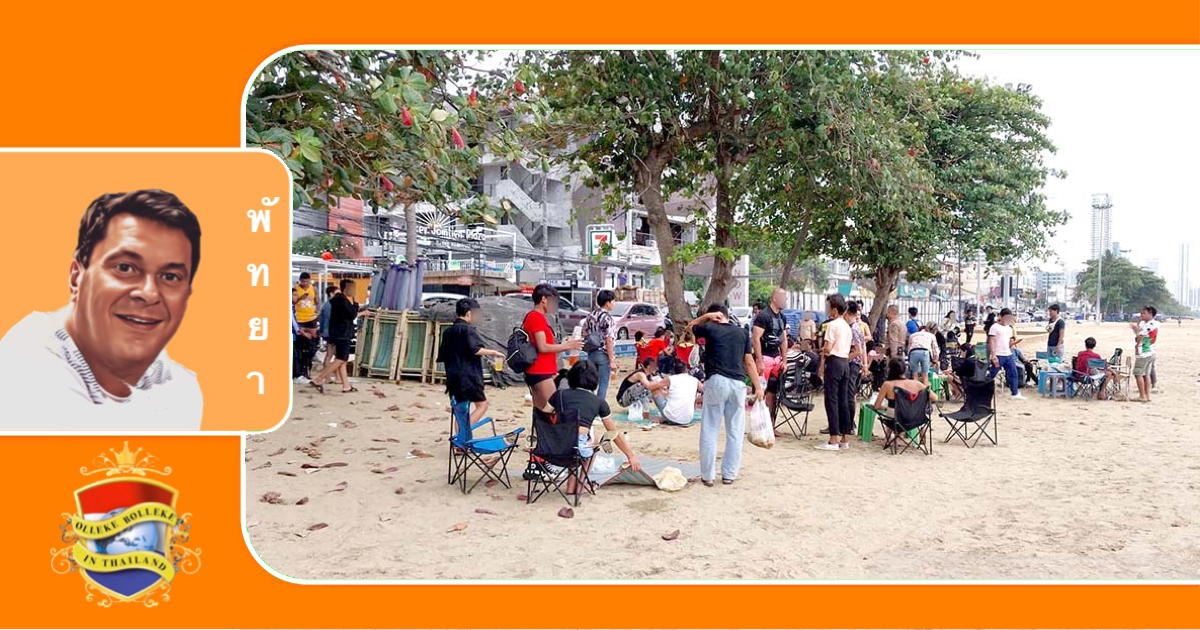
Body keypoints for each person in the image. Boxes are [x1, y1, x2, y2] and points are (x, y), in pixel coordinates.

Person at [0, 189, 203, 430]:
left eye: (170, 276)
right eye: (125, 268)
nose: (149, 293)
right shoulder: (27, 366)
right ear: (77, 278)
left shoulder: (180, 386)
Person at [688, 304, 763, 485]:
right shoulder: (742, 333)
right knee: (735, 431)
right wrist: (758, 387)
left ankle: (708, 476)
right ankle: (729, 474)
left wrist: (706, 317)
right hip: (738, 384)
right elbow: (749, 361)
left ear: (716, 315)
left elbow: (690, 327)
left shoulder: (710, 327)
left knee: (710, 428)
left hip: (716, 381)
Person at [547, 360, 643, 493]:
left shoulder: (559, 395)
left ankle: (571, 485)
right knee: (592, 440)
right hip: (576, 449)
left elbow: (542, 417)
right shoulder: (598, 401)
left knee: (570, 435)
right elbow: (613, 432)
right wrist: (630, 456)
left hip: (551, 447)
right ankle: (580, 484)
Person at [437, 298, 505, 440]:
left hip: (453, 377)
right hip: (469, 377)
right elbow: (474, 349)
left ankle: (462, 443)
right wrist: (493, 352)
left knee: (461, 412)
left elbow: (442, 355)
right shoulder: (468, 329)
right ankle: (462, 436)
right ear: (469, 313)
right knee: (482, 405)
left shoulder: (448, 331)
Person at [523, 283, 582, 410]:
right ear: (544, 299)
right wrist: (567, 346)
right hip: (540, 370)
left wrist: (563, 344)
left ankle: (540, 430)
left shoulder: (535, 316)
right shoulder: (536, 317)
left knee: (541, 411)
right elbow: (543, 347)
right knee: (553, 409)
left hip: (539, 370)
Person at [310, 279, 368, 394]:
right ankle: (319, 379)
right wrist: (355, 302)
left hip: (337, 333)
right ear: (345, 289)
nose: (353, 291)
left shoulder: (336, 300)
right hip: (342, 334)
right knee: (340, 359)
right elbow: (352, 315)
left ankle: (346, 385)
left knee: (342, 360)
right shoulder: (342, 300)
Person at [871, 358, 938, 445]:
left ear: (890, 370)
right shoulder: (916, 384)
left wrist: (885, 407)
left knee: (892, 411)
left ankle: (891, 437)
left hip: (895, 419)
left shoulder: (887, 385)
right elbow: (935, 398)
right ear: (905, 370)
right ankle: (899, 437)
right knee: (905, 410)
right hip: (915, 418)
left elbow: (876, 406)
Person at [816, 294, 854, 451]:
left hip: (834, 362)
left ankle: (833, 439)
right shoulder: (846, 325)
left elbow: (828, 348)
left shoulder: (832, 325)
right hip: (845, 363)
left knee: (831, 400)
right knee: (843, 400)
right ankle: (844, 438)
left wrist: (822, 350)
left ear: (834, 309)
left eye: (828, 307)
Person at [752, 287, 790, 411]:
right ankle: (760, 424)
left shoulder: (782, 318)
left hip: (776, 358)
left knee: (774, 392)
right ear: (775, 298)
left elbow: (783, 340)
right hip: (765, 357)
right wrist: (759, 360)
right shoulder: (763, 316)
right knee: (761, 391)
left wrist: (784, 360)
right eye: (783, 298)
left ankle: (771, 425)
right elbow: (756, 338)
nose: (785, 300)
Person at [638, 360, 704, 426]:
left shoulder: (670, 379)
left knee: (656, 391)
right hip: (688, 419)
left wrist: (641, 377)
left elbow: (650, 387)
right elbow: (707, 392)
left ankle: (659, 416)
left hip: (671, 417)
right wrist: (697, 400)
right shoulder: (694, 380)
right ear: (686, 370)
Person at [582, 289, 618, 402]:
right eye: (613, 301)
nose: (614, 304)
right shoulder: (608, 318)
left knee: (591, 382)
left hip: (591, 351)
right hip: (603, 353)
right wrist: (611, 360)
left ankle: (588, 405)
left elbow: (584, 332)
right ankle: (598, 409)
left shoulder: (591, 315)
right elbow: (609, 339)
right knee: (603, 383)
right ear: (607, 302)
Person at [986, 307, 1024, 400]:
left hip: (1008, 354)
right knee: (992, 374)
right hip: (999, 355)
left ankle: (1014, 393)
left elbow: (1008, 343)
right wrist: (993, 355)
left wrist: (1014, 344)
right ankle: (982, 391)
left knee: (1013, 373)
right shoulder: (994, 327)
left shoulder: (1009, 328)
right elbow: (992, 341)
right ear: (1001, 317)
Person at [293, 271, 320, 382]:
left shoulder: (313, 289)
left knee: (311, 345)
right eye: (302, 281)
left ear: (309, 280)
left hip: (311, 319)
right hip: (299, 320)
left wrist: (318, 312)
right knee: (300, 347)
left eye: (306, 281)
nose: (304, 283)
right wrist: (301, 297)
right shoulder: (295, 289)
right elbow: (292, 302)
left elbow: (317, 301)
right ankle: (299, 372)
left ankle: (307, 370)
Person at [1131, 305, 1159, 403]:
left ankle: (1142, 395)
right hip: (1150, 351)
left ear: (1150, 313)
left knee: (1138, 373)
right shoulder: (1152, 324)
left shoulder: (1149, 325)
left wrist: (1136, 329)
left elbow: (1140, 337)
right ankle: (1147, 395)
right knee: (1146, 374)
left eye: (1144, 313)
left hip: (1144, 352)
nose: (1141, 315)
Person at [317, 285, 343, 386]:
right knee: (332, 355)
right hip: (333, 333)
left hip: (327, 332)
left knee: (332, 355)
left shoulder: (326, 305)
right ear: (332, 294)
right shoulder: (332, 305)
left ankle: (333, 377)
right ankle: (328, 377)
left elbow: (322, 320)